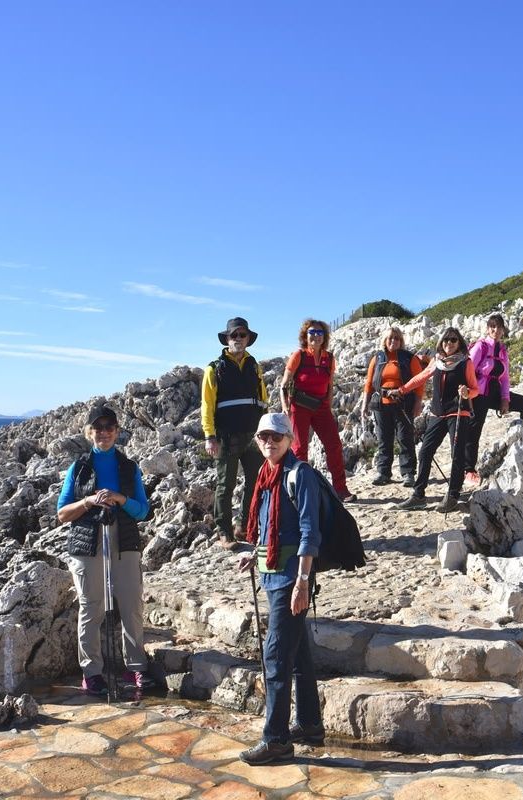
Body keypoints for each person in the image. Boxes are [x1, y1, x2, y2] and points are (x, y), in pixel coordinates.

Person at [237, 412, 324, 765]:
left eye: (276, 437)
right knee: (297, 654)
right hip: (272, 573)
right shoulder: (266, 475)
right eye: (263, 438)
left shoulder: (299, 475)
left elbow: (309, 532)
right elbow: (266, 530)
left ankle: (276, 740)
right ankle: (308, 724)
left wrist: (302, 582)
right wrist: (253, 555)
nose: (269, 443)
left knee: (275, 656)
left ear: (290, 439)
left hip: (291, 580)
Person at [57, 404, 156, 696]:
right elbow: (62, 513)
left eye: (109, 427)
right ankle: (92, 673)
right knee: (92, 606)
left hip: (124, 539)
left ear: (117, 431)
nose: (104, 432)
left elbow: (142, 511)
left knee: (131, 604)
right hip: (87, 542)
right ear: (89, 432)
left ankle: (136, 667)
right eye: (98, 428)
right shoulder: (79, 468)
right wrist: (89, 502)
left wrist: (119, 499)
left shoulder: (129, 467)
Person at [394, 327, 479, 513]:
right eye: (446, 340)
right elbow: (420, 377)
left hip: (458, 413)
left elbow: (475, 389)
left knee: (456, 454)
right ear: (441, 342)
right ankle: (418, 495)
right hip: (437, 414)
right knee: (425, 451)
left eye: (453, 340)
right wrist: (401, 391)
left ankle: (453, 495)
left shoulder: (466, 363)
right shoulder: (437, 361)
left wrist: (467, 393)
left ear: (459, 343)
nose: (449, 343)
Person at [202, 317, 268, 549]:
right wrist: (210, 436)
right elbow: (207, 406)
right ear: (227, 339)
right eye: (234, 335)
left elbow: (263, 399)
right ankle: (224, 533)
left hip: (252, 435)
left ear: (248, 339)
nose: (238, 339)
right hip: (226, 436)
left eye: (243, 335)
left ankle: (244, 525)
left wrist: (265, 430)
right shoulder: (214, 369)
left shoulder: (254, 366)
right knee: (225, 485)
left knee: (256, 481)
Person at [280, 319, 355, 502]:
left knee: (334, 445)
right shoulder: (299, 355)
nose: (315, 336)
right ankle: (301, 492)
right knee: (300, 450)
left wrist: (327, 408)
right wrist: (285, 408)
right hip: (299, 406)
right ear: (305, 336)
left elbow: (329, 386)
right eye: (311, 332)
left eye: (319, 333)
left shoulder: (329, 358)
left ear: (325, 337)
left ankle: (341, 489)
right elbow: (284, 384)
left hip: (321, 407)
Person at [462, 314, 523, 488]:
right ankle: (468, 470)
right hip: (478, 394)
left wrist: (505, 399)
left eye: (499, 327)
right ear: (488, 329)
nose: (496, 330)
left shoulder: (502, 351)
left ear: (503, 330)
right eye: (492, 327)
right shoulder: (480, 346)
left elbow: (505, 379)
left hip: (494, 393)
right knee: (474, 431)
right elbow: (468, 371)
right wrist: (469, 397)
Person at [360, 325, 424, 487]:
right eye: (390, 338)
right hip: (381, 404)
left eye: (397, 338)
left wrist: (418, 403)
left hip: (403, 404)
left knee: (405, 438)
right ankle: (383, 472)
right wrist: (364, 404)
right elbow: (369, 383)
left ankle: (408, 473)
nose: (393, 341)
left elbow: (419, 383)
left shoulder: (410, 358)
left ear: (401, 341)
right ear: (385, 340)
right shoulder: (377, 358)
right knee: (384, 439)